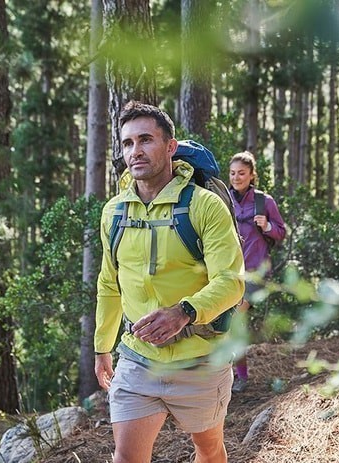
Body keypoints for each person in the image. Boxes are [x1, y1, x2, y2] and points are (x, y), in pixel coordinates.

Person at [94, 101, 245, 463]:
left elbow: (231, 281)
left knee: (208, 450)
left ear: (170, 147)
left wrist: (184, 312)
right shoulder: (114, 212)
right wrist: (102, 347)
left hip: (201, 359)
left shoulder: (204, 206)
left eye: (146, 139)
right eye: (128, 143)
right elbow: (109, 283)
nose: (136, 151)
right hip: (137, 359)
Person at [228, 151, 286, 393]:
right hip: (230, 273)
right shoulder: (224, 199)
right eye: (232, 173)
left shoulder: (264, 201)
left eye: (242, 173)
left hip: (256, 274)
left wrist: (268, 225)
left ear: (252, 175)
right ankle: (235, 375)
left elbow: (281, 232)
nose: (236, 177)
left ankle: (238, 376)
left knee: (233, 318)